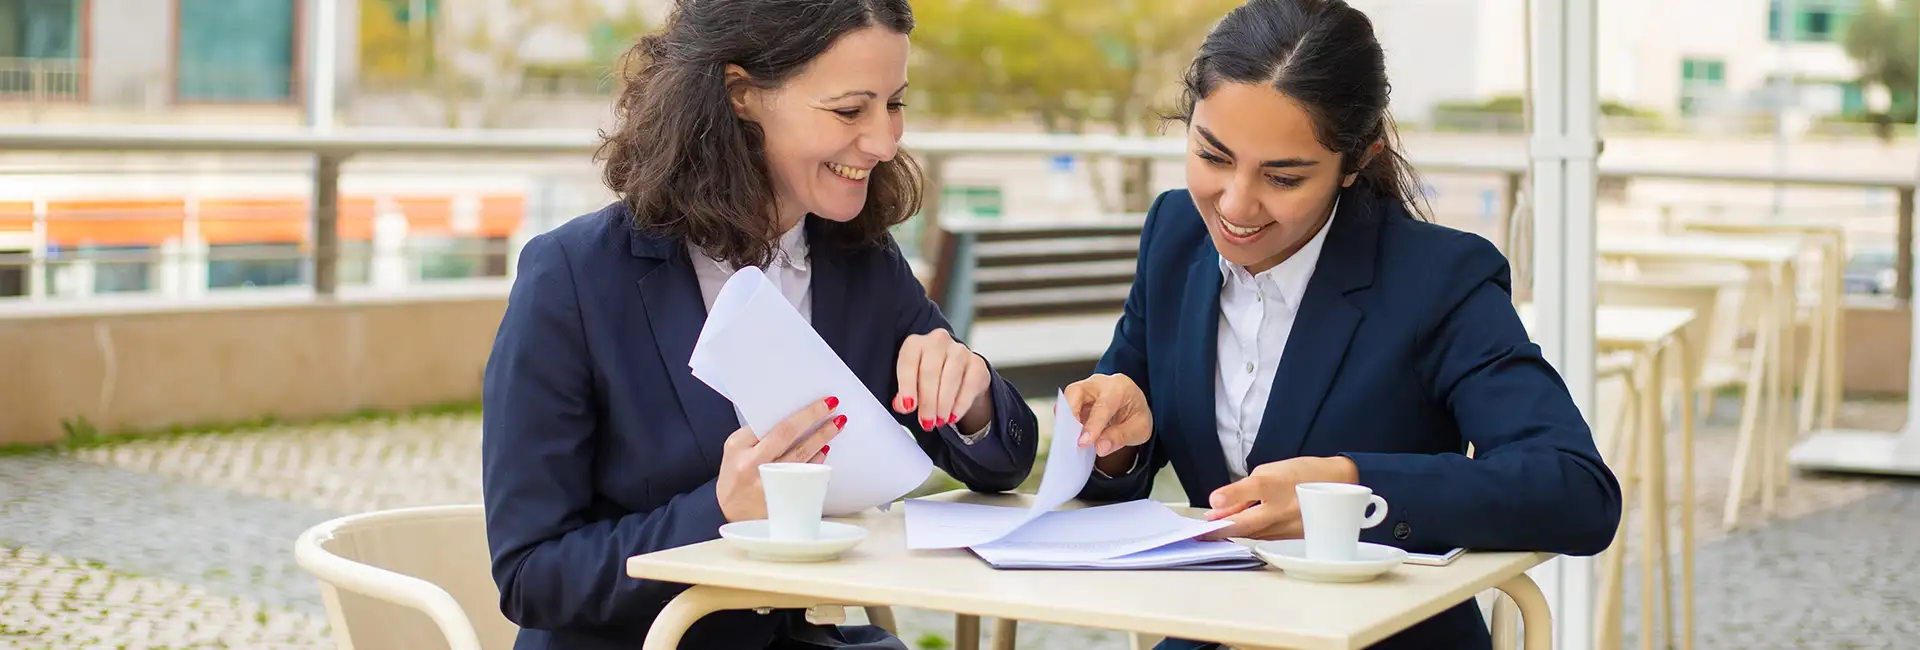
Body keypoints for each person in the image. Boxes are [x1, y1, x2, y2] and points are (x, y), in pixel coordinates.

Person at [479, 1, 1040, 648]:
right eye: (851, 110)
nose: (886, 142)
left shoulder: (860, 261)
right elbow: (532, 576)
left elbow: (1004, 463)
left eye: (895, 103)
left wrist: (971, 401)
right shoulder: (573, 277)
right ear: (741, 94)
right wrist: (718, 513)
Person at [1065, 1, 1623, 648]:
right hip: (1215, 630)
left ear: (1356, 162)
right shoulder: (1174, 235)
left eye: (1283, 176)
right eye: (1212, 157)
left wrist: (1349, 489)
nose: (1236, 204)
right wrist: (1119, 442)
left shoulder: (1438, 280)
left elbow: (1575, 490)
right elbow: (1123, 447)